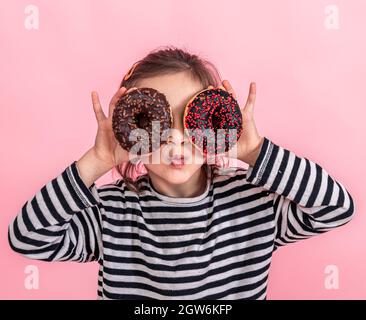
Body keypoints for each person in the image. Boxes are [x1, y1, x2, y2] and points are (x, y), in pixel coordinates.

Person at [8, 46, 355, 299]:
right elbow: (28, 238)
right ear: (128, 131)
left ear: (218, 120)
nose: (176, 137)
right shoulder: (110, 213)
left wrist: (254, 152)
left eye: (192, 119)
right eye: (153, 123)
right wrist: (97, 160)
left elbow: (336, 208)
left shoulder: (254, 203)